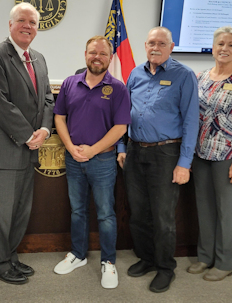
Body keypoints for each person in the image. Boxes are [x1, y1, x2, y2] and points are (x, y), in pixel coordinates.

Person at [117, 26, 199, 293]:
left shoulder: (184, 75)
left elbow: (190, 120)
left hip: (166, 153)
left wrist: (184, 163)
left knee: (163, 216)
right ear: (145, 45)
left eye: (161, 43)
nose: (156, 47)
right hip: (135, 151)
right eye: (152, 42)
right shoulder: (134, 74)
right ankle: (147, 258)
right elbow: (123, 114)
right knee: (138, 213)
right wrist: (122, 146)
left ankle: (165, 267)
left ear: (171, 47)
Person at [0, 2, 54, 285]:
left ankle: (10, 257)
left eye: (32, 22)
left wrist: (45, 130)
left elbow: (48, 98)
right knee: (1, 213)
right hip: (4, 150)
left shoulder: (39, 58)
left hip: (29, 149)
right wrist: (28, 135)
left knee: (20, 211)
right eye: (22, 21)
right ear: (11, 25)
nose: (27, 26)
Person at [52, 36, 131, 289]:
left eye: (103, 54)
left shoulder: (117, 88)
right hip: (73, 159)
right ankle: (77, 255)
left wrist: (93, 150)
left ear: (110, 58)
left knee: (106, 213)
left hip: (103, 160)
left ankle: (108, 262)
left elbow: (121, 127)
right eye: (93, 52)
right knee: (77, 210)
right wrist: (71, 148)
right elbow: (59, 117)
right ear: (85, 54)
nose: (97, 57)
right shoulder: (69, 83)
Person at [187, 26, 232, 281]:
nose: (224, 49)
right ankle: (205, 257)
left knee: (227, 211)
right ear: (213, 47)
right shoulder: (201, 77)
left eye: (230, 45)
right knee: (204, 209)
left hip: (228, 156)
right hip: (201, 154)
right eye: (220, 44)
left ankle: (225, 261)